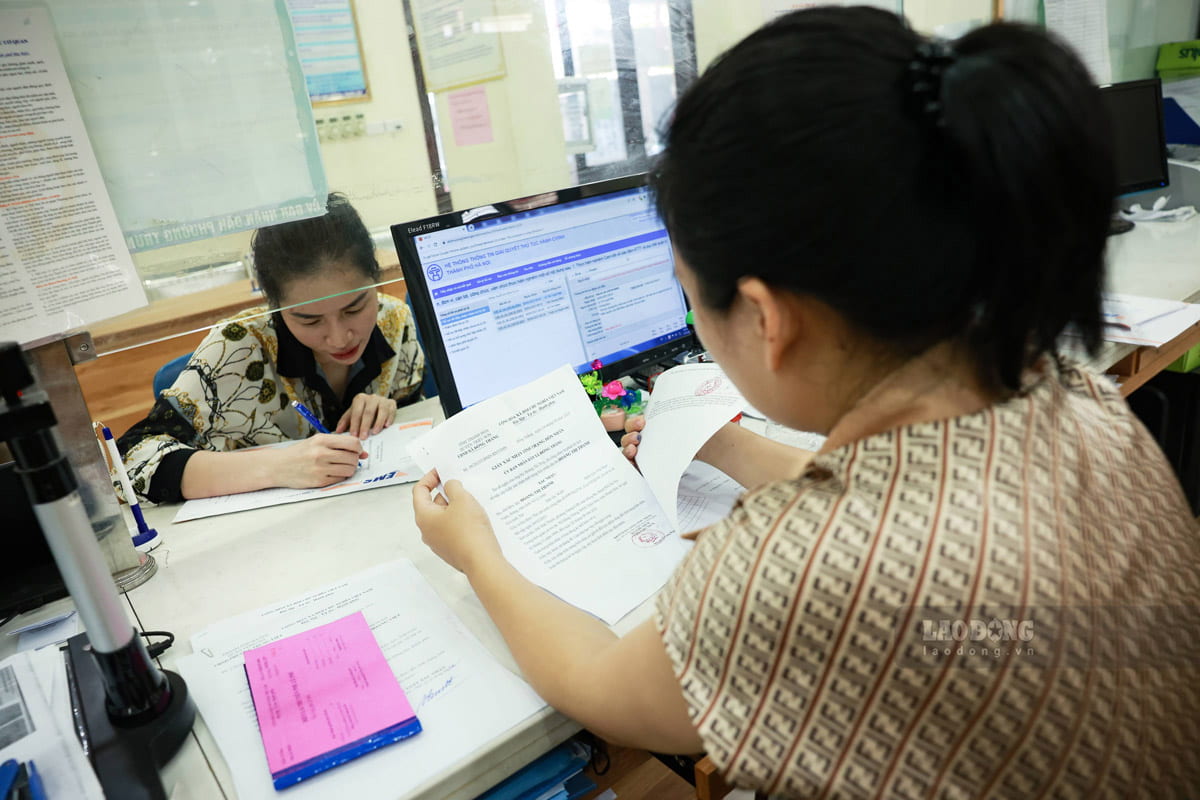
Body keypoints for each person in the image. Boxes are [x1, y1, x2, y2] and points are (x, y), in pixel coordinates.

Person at [412, 8, 1200, 799]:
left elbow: (601, 685)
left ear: (765, 317)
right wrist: (734, 447)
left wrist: (478, 551)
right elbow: (923, 497)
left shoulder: (794, 574)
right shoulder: (1073, 394)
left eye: (691, 300)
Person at [120, 193, 424, 503]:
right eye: (310, 321)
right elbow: (129, 461)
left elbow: (418, 422)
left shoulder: (394, 321)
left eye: (354, 309)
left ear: (375, 279)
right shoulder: (235, 348)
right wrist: (277, 466)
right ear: (275, 306)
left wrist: (390, 411)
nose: (338, 338)